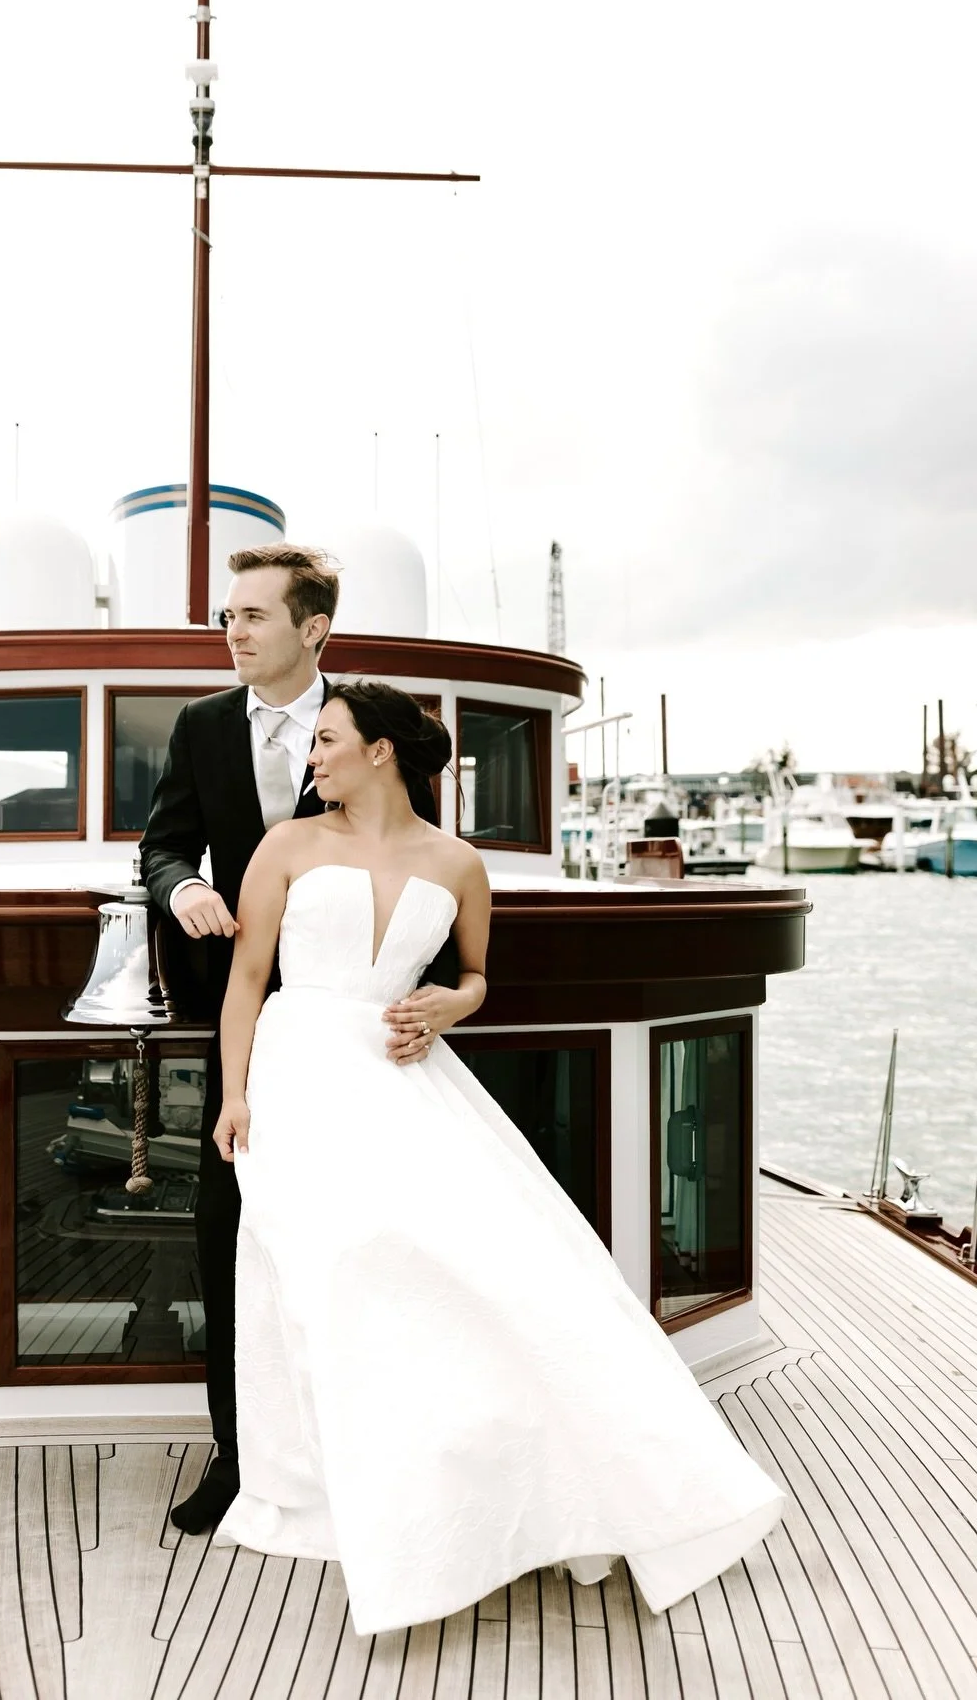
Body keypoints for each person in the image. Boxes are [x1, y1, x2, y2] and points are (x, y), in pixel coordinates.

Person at [210, 681, 788, 1637]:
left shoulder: (459, 863)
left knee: (497, 1269)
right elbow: (245, 980)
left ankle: (524, 1490)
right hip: (299, 1078)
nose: (311, 757)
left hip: (403, 1079)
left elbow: (476, 977)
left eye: (325, 740)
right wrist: (234, 1093)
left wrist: (447, 1004)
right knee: (339, 1269)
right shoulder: (287, 846)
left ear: (380, 751)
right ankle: (337, 1490)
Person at [140, 546, 457, 1536]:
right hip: (253, 1028)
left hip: (365, 1033)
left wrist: (445, 994)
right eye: (226, 616)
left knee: (377, 1236)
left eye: (251, 615)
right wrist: (184, 886)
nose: (230, 632)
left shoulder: (374, 725)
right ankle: (242, 1457)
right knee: (237, 1238)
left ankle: (376, 1444)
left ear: (312, 628)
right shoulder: (199, 726)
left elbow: (429, 868)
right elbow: (160, 843)